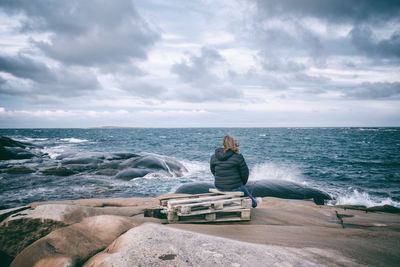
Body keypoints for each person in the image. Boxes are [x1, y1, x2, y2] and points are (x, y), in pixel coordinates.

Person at [210, 135, 261, 208]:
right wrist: (242, 183)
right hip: (235, 187)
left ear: (223, 143)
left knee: (240, 189)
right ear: (233, 143)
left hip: (219, 186)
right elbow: (245, 173)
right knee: (247, 194)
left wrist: (221, 178)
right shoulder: (238, 156)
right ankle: (255, 203)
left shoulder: (214, 156)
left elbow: (213, 171)